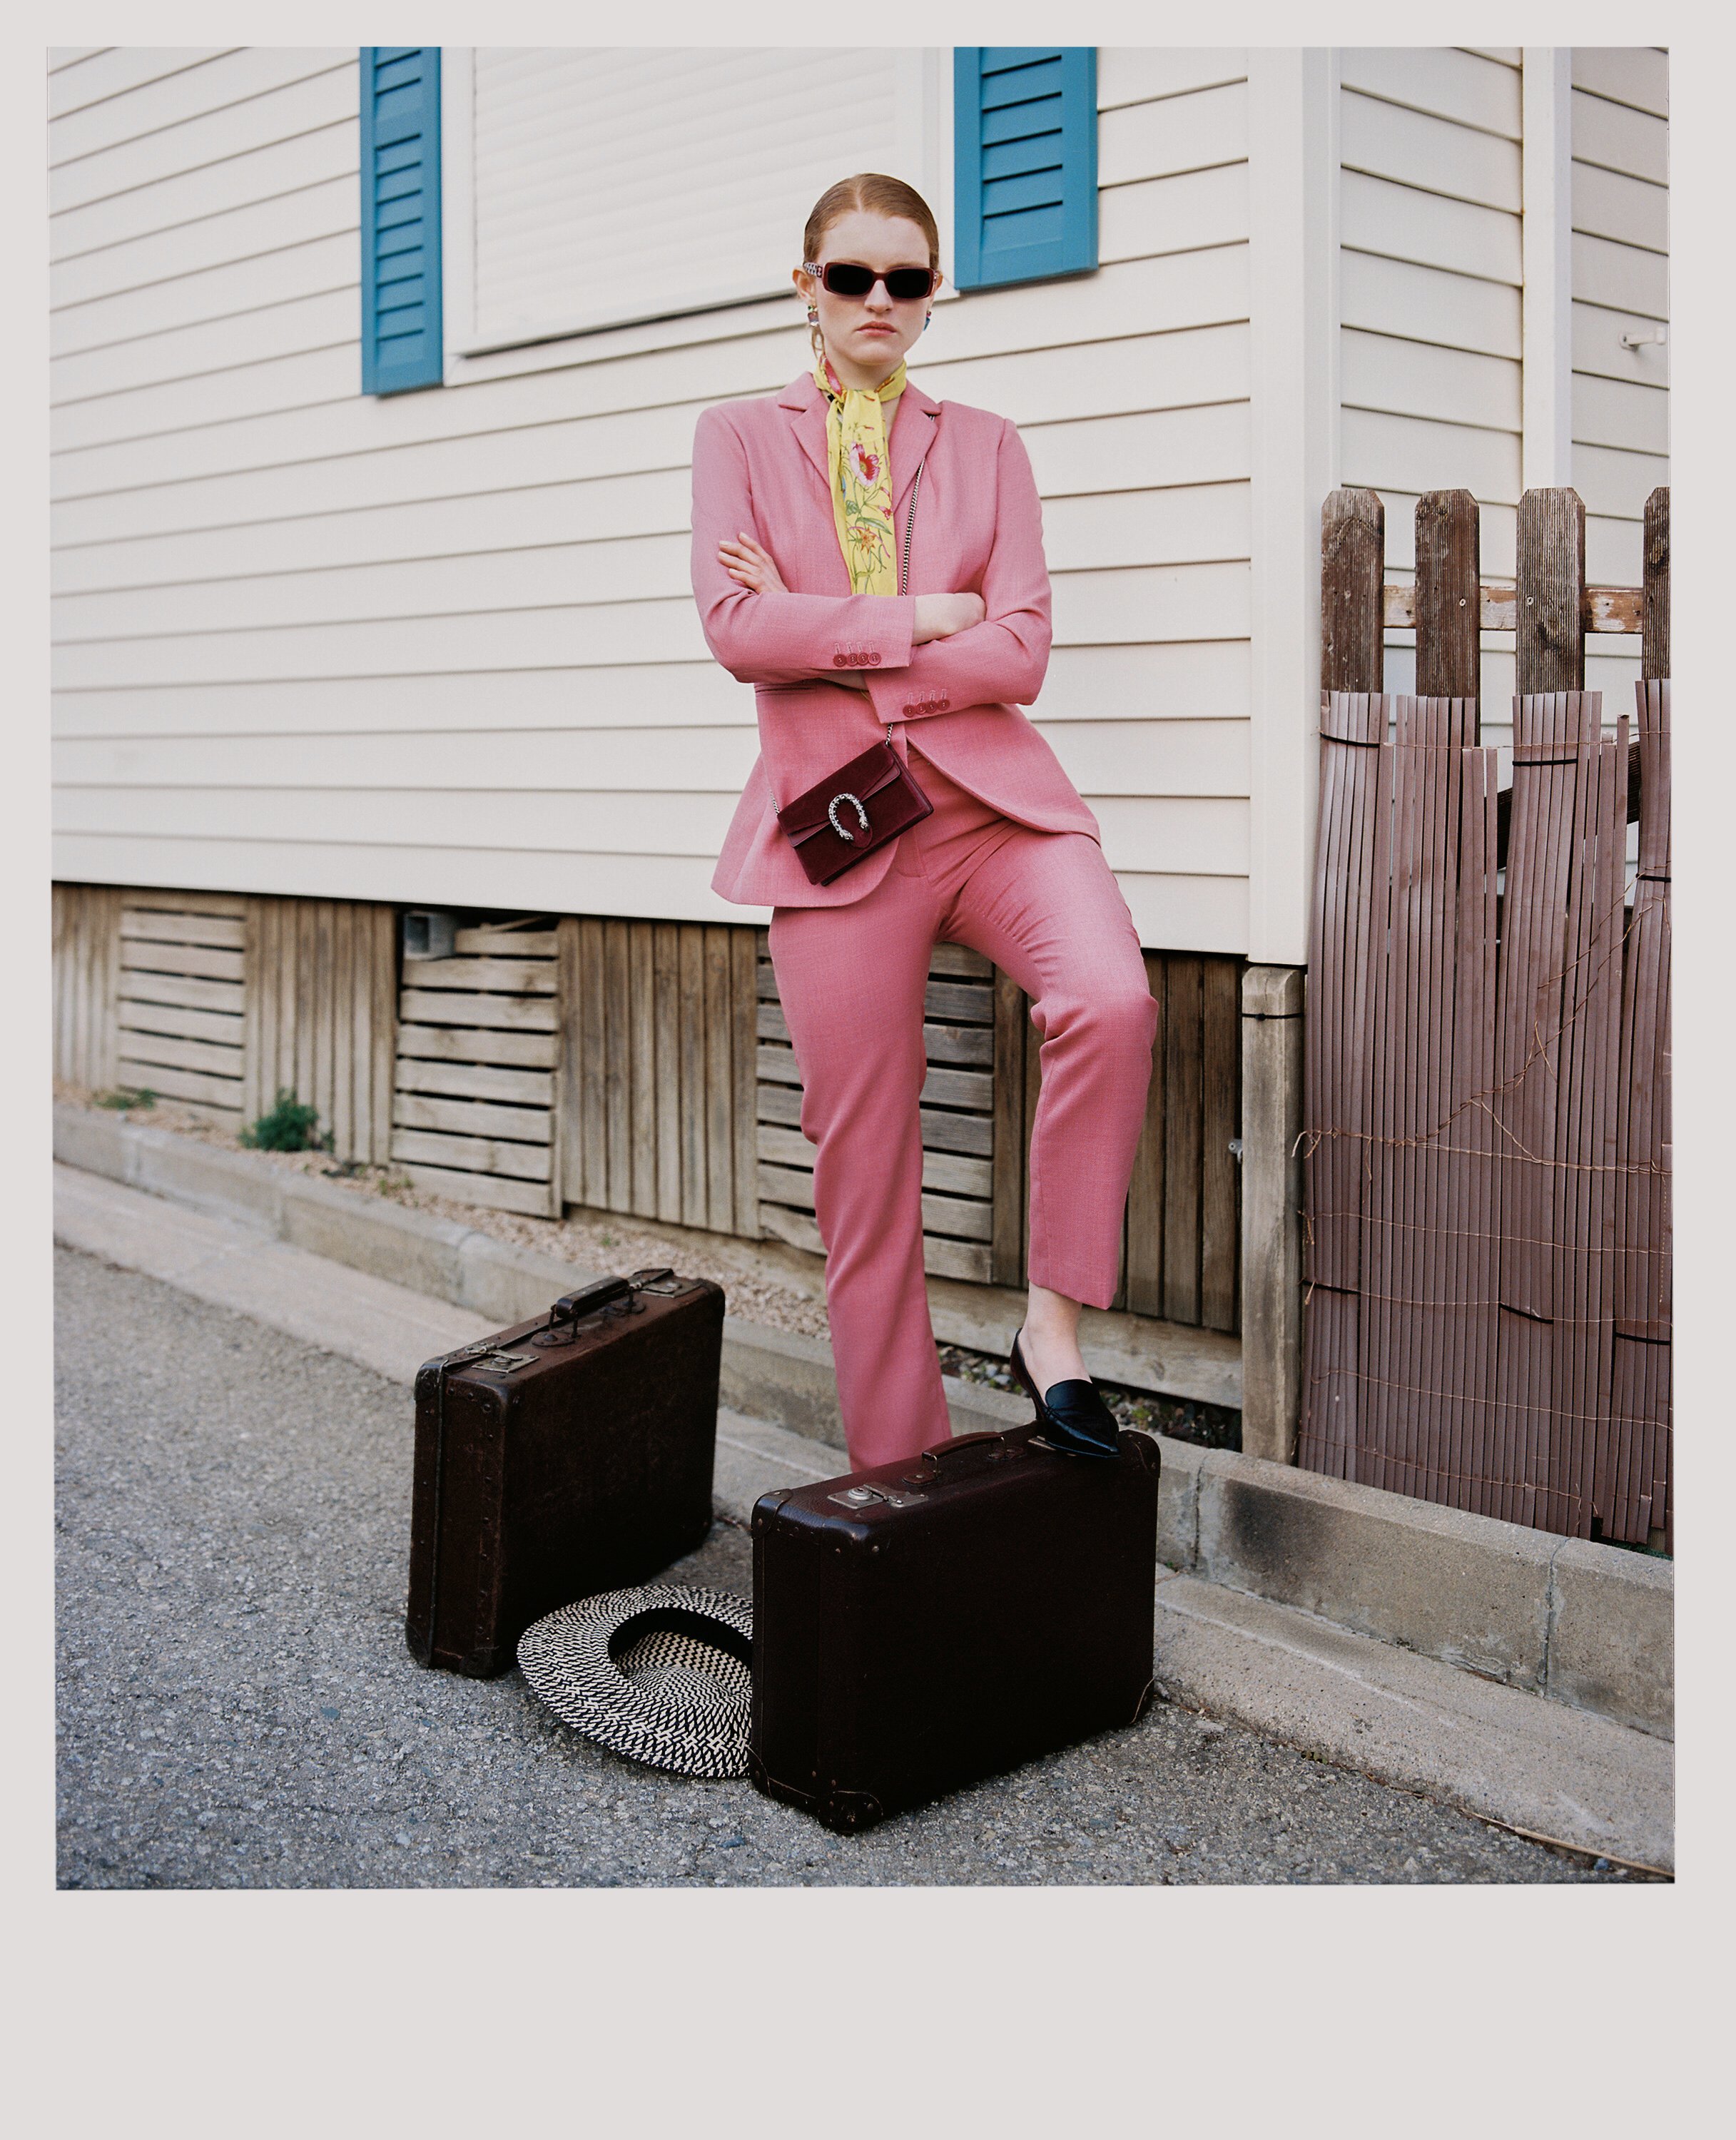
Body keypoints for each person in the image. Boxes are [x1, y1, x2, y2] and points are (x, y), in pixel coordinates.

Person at [689, 173, 1157, 1470]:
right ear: (807, 287)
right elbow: (734, 633)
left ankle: (1051, 1332)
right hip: (840, 831)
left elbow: (1020, 655)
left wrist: (830, 632)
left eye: (907, 279)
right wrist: (925, 613)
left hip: (999, 810)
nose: (879, 301)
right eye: (852, 277)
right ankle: (898, 1479)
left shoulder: (990, 443)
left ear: (935, 290)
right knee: (865, 1165)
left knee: (1111, 1002)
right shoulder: (735, 437)